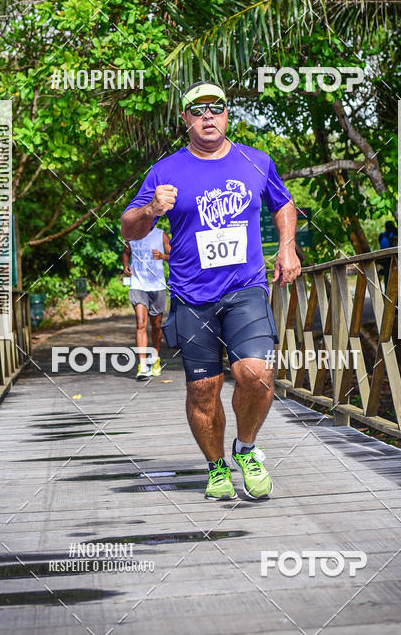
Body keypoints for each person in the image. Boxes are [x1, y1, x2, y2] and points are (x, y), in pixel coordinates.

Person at [121, 79, 301, 500]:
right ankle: (216, 467)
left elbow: (284, 204)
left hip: (245, 288)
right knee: (203, 389)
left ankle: (247, 449)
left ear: (226, 114)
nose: (207, 116)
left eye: (215, 108)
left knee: (255, 374)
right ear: (185, 119)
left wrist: (287, 248)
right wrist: (150, 209)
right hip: (191, 295)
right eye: (197, 110)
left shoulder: (256, 161)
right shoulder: (165, 171)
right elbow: (130, 228)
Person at [122, 228, 171, 380]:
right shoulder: (132, 234)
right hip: (138, 285)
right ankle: (142, 365)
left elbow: (174, 257)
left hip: (157, 286)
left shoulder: (161, 235)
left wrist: (162, 256)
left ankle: (155, 359)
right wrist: (125, 265)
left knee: (156, 327)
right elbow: (126, 252)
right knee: (141, 324)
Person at [378, 220, 397, 292]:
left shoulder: (382, 235)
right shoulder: (394, 234)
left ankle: (389, 298)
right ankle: (393, 300)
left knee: (388, 280)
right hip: (391, 260)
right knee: (392, 280)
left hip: (384, 260)